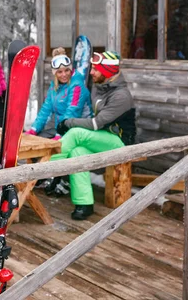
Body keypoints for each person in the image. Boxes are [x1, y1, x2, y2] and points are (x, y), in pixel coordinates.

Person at [52, 51, 136, 220]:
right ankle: (84, 203)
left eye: (95, 69)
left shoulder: (121, 96)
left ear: (106, 71)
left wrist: (69, 122)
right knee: (78, 153)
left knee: (75, 133)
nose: (91, 72)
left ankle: (45, 169)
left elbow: (97, 123)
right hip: (104, 136)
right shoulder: (100, 87)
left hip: (121, 142)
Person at [25, 47, 92, 197]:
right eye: (60, 72)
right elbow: (46, 109)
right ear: (55, 73)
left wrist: (58, 134)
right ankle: (42, 175)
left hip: (78, 128)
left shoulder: (77, 86)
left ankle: (63, 179)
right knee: (36, 140)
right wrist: (34, 129)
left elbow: (71, 113)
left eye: (66, 71)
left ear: (70, 70)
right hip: (61, 127)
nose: (64, 75)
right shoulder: (54, 87)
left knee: (59, 147)